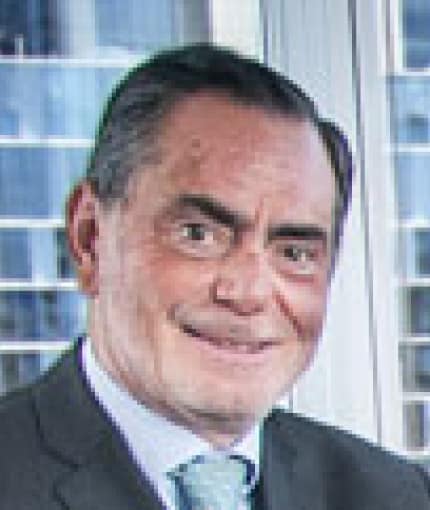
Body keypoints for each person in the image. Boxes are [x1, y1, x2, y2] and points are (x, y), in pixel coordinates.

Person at [0, 44, 428, 510]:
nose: (248, 293)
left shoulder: (396, 494)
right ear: (90, 239)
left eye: (294, 253)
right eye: (198, 234)